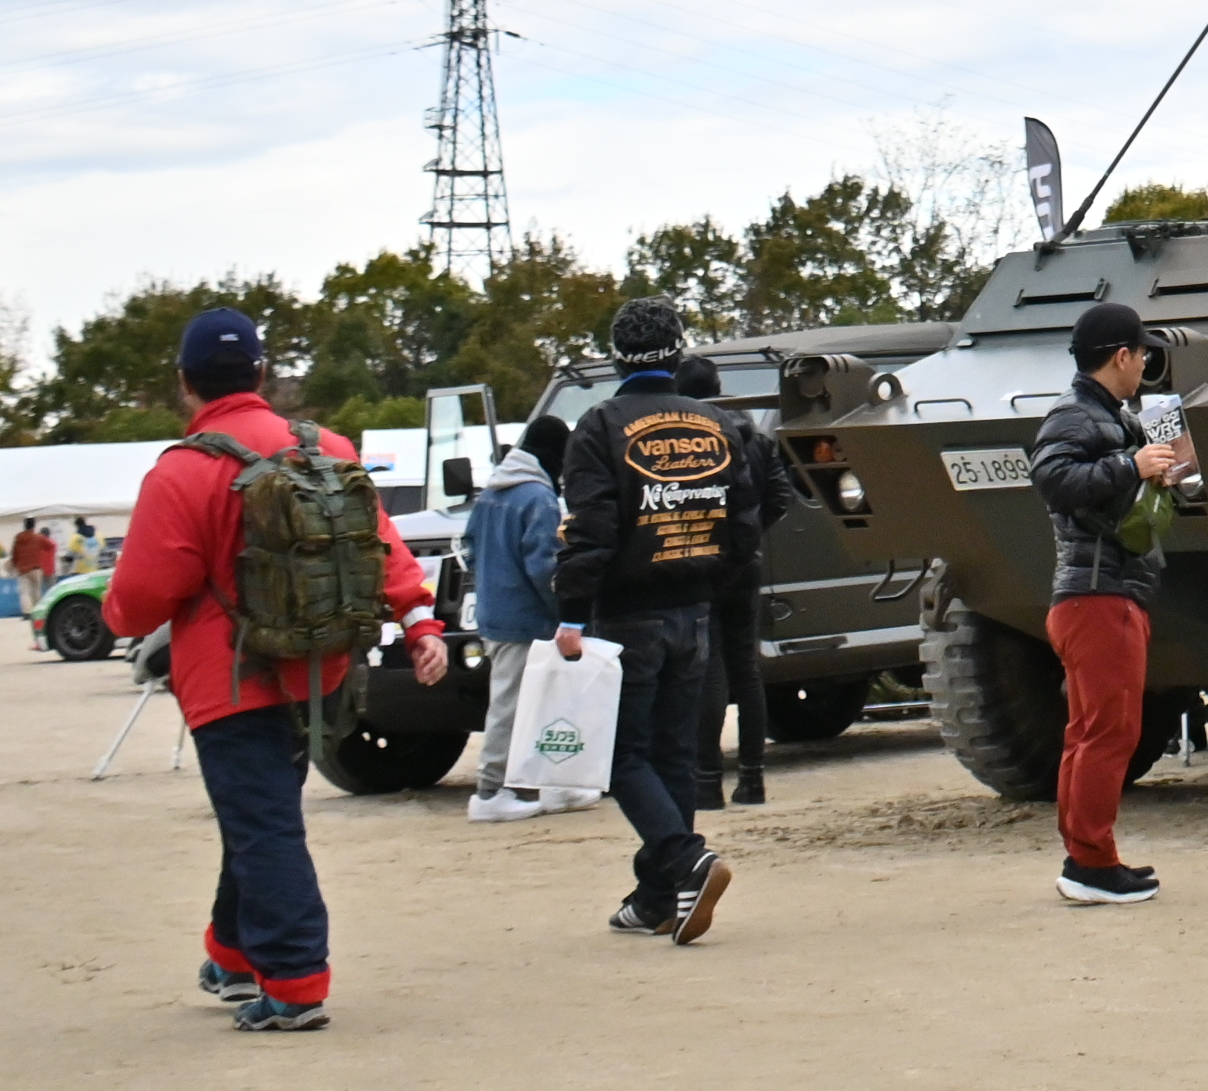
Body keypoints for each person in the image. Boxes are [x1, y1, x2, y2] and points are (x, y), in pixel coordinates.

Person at [103, 307, 449, 1032]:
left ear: (185, 383)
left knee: (262, 826)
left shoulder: (183, 471)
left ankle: (293, 980)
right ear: (260, 373)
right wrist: (418, 621)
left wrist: (111, 614)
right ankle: (231, 955)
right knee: (256, 816)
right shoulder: (326, 447)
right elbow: (380, 543)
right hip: (317, 671)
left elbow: (138, 604)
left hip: (229, 684)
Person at [554, 298, 753, 945]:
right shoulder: (717, 424)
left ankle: (686, 857)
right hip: (694, 609)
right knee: (672, 753)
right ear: (678, 350)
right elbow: (744, 524)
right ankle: (658, 899)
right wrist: (710, 587)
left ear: (616, 355)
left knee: (618, 756)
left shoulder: (599, 426)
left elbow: (590, 532)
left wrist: (570, 616)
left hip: (627, 613)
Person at [1027, 301, 1192, 904]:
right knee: (1108, 732)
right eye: (1142, 354)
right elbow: (1053, 482)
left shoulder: (1101, 414)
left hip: (1096, 595)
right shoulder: (1075, 417)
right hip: (1099, 596)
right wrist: (1131, 463)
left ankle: (1087, 857)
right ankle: (1092, 866)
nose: (1145, 365)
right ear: (1122, 356)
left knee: (1091, 731)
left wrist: (1155, 471)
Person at [675, 354, 799, 810]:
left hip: (701, 560)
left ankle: (707, 780)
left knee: (709, 670)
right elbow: (781, 495)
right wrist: (750, 531)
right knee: (747, 670)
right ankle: (753, 778)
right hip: (746, 561)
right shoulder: (752, 433)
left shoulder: (688, 435)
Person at [463, 412, 572, 822]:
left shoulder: (493, 491)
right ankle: (490, 793)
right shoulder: (538, 498)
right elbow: (545, 568)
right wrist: (567, 614)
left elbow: (470, 547)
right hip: (525, 619)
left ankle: (530, 787)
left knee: (515, 701)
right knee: (513, 706)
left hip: (494, 612)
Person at [10, 517, 53, 620]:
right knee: (36, 590)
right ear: (34, 525)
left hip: (22, 569)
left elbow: (14, 553)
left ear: (24, 525)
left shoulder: (18, 538)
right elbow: (50, 545)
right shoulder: (38, 537)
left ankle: (27, 613)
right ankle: (38, 611)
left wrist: (15, 564)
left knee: (24, 592)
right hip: (36, 568)